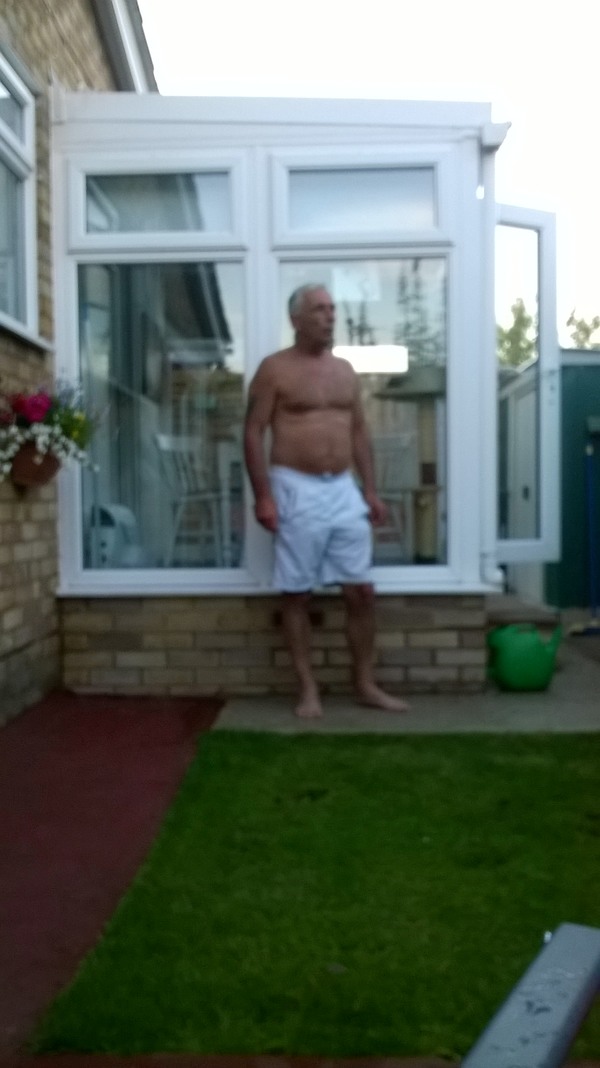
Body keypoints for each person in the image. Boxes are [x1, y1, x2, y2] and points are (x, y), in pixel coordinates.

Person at [243, 283, 410, 719]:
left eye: (332, 309)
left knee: (362, 591)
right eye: (319, 309)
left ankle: (365, 684)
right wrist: (263, 497)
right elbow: (252, 432)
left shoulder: (345, 371)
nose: (329, 316)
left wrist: (369, 489)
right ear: (296, 319)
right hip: (295, 487)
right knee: (297, 594)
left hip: (342, 489)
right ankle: (308, 689)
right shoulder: (274, 370)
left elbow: (359, 432)